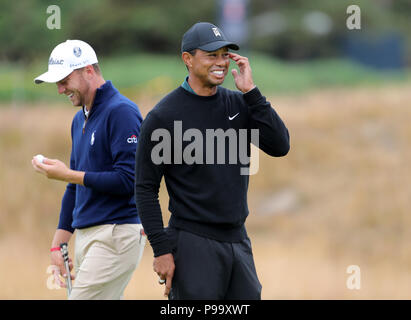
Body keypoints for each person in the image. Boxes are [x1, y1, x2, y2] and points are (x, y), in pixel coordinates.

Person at [134, 22, 290, 299]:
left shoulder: (240, 104)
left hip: (238, 240)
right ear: (188, 59)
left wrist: (252, 92)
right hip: (192, 242)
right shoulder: (163, 117)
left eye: (224, 55)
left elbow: (280, 146)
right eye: (211, 55)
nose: (221, 63)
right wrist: (161, 249)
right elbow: (145, 189)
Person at [32, 40, 146, 299]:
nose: (60, 89)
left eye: (64, 80)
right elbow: (74, 187)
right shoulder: (79, 118)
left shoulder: (122, 112)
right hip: (88, 235)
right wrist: (58, 244)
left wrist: (67, 174)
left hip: (117, 233)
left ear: (89, 71)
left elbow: (128, 181)